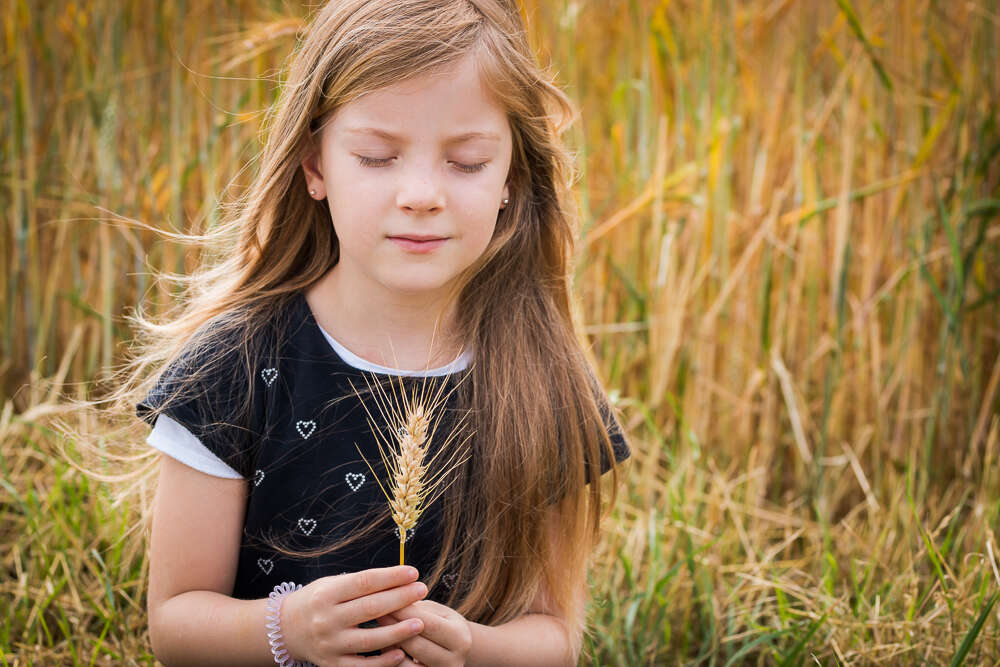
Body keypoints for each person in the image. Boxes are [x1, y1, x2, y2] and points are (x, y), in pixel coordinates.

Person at [134, 1, 630, 665]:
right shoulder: (233, 367)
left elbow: (555, 637)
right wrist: (289, 629)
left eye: (468, 161)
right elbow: (174, 625)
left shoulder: (544, 381)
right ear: (315, 166)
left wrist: (473, 649)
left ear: (511, 175)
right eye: (376, 156)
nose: (421, 193)